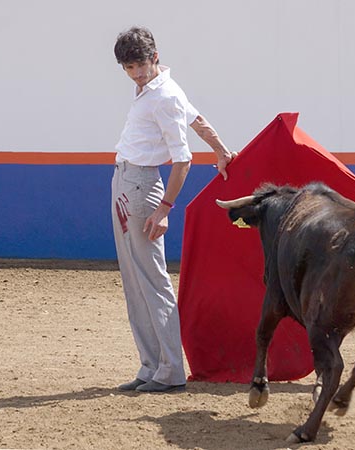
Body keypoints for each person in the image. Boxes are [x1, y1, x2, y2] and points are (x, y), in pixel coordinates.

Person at [112, 26, 236, 393]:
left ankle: (168, 370)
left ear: (154, 57)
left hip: (140, 187)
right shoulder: (160, 89)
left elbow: (182, 160)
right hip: (126, 182)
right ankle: (152, 366)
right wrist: (222, 150)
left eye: (139, 65)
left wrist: (165, 209)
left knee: (150, 279)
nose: (135, 73)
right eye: (128, 67)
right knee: (136, 280)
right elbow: (197, 120)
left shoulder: (163, 95)